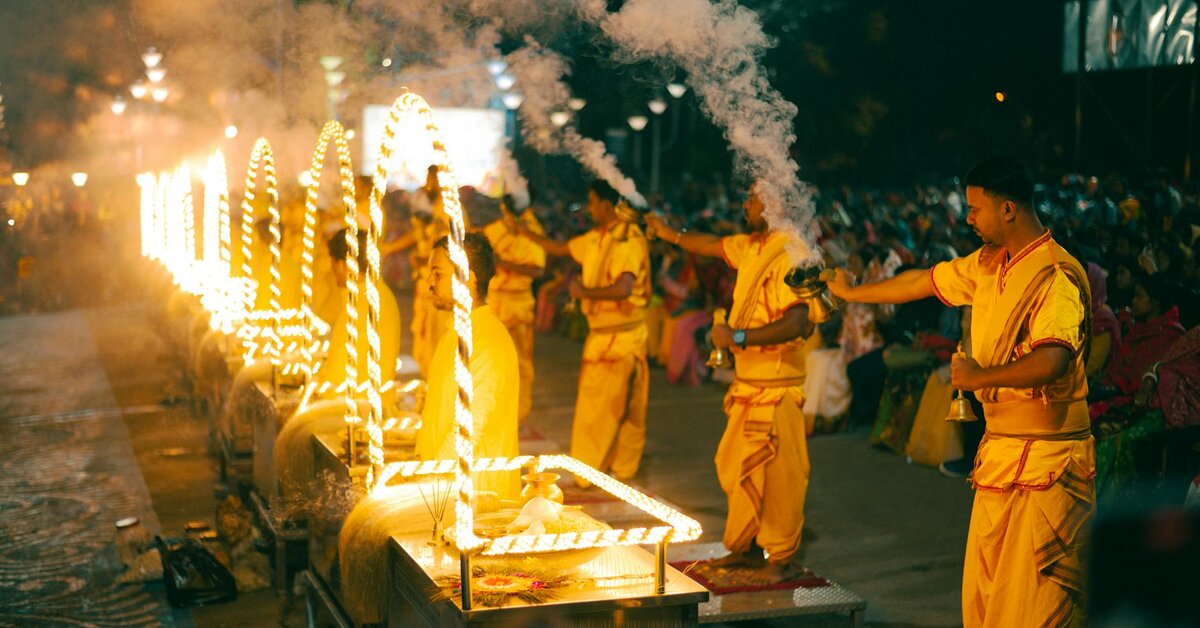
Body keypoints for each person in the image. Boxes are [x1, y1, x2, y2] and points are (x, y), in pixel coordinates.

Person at [825, 156, 1094, 626]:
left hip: (1049, 462)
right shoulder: (990, 264)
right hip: (1001, 456)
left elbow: (1054, 360)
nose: (966, 218)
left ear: (1008, 209)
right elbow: (920, 282)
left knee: (1034, 603)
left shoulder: (1056, 275)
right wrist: (851, 294)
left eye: (974, 208)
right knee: (988, 598)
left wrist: (977, 379)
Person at [646, 184, 813, 582]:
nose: (744, 204)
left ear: (772, 204)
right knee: (735, 466)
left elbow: (798, 320)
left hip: (776, 389)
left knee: (779, 477)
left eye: (752, 199)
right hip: (747, 384)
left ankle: (779, 560)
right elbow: (710, 245)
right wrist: (669, 233)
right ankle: (748, 549)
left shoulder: (791, 252)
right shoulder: (753, 246)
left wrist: (738, 338)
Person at [520, 180, 651, 485]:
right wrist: (526, 233)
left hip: (621, 339)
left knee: (603, 411)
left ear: (608, 204)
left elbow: (624, 287)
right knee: (613, 408)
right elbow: (561, 248)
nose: (590, 208)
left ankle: (593, 472)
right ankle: (614, 469)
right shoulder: (598, 237)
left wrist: (584, 292)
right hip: (604, 337)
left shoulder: (627, 240)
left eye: (593, 202)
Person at [416, 233, 520, 498]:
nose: (429, 282)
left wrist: (426, 483)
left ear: (468, 279)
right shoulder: (457, 332)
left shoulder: (488, 342)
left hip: (476, 498)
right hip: (443, 488)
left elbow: (467, 431)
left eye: (437, 273)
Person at [313, 228, 402, 411]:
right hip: (365, 405)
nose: (331, 269)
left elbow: (342, 367)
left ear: (345, 265)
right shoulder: (374, 295)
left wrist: (321, 395)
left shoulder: (365, 301)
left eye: (332, 261)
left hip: (357, 410)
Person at [481, 196, 545, 426]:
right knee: (490, 360)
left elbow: (538, 271)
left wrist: (503, 263)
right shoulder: (494, 229)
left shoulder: (532, 232)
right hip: (494, 302)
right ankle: (493, 408)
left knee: (519, 362)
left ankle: (518, 414)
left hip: (518, 305)